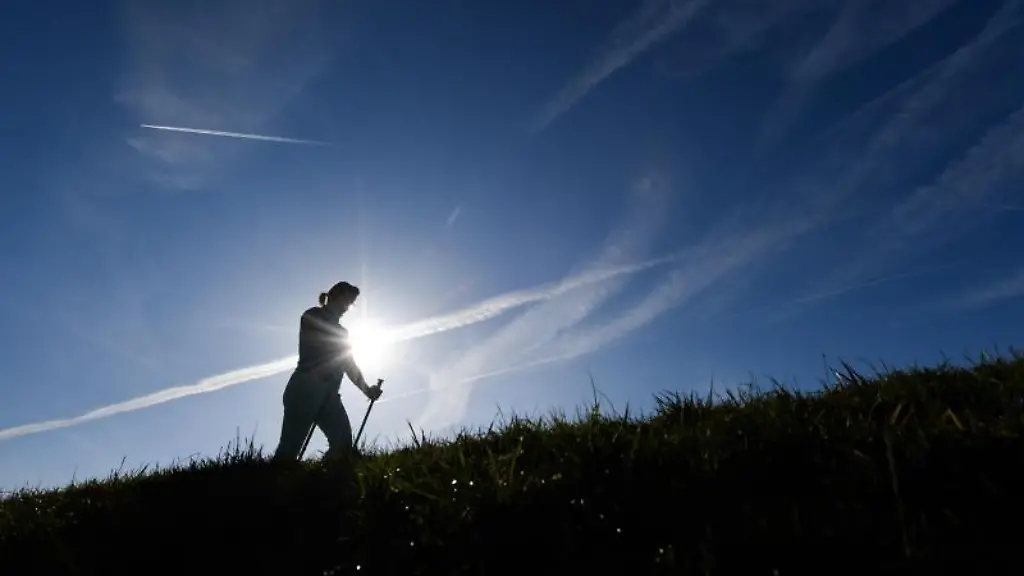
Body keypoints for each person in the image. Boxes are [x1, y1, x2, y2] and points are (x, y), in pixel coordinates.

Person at [272, 280, 383, 463]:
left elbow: (349, 364)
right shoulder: (312, 315)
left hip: (330, 393)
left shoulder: (343, 332)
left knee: (343, 445)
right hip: (305, 387)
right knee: (288, 451)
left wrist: (367, 389)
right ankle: (271, 485)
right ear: (334, 296)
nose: (347, 307)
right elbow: (318, 343)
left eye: (350, 303)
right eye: (346, 301)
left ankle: (326, 482)